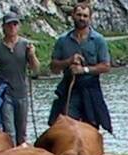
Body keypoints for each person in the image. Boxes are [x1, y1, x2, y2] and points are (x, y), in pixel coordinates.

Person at [47, 2, 112, 133]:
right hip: (70, 89)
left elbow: (106, 66)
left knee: (92, 128)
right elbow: (53, 67)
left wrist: (84, 70)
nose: (82, 18)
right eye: (79, 15)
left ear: (90, 18)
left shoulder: (98, 40)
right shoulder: (62, 41)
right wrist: (68, 62)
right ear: (72, 15)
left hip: (91, 89)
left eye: (85, 16)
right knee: (66, 126)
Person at [0, 11, 39, 144]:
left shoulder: (26, 45)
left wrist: (32, 55)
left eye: (15, 24)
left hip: (22, 93)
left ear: (18, 26)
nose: (12, 27)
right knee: (9, 132)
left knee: (22, 133)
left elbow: (36, 68)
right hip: (5, 95)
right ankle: (10, 153)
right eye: (9, 24)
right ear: (3, 27)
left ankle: (21, 154)